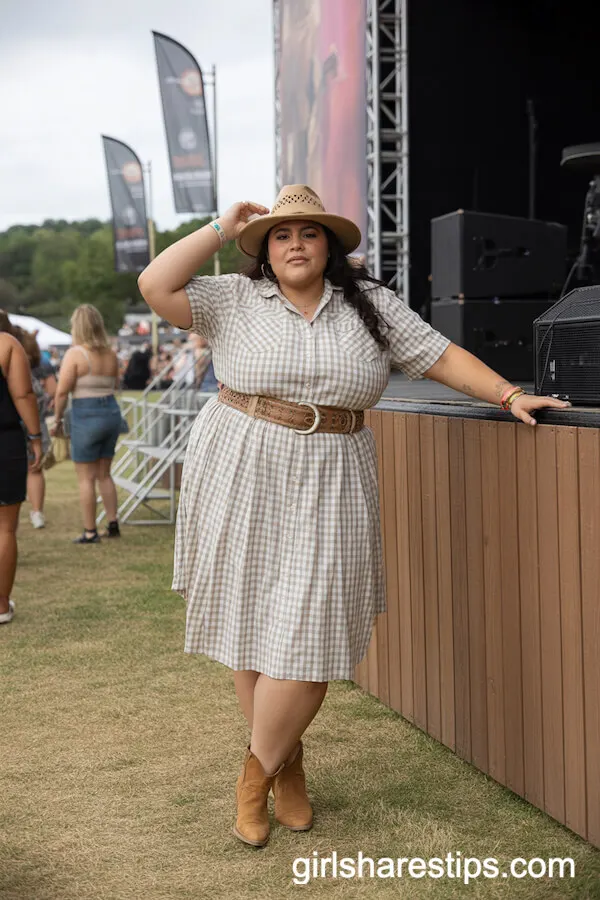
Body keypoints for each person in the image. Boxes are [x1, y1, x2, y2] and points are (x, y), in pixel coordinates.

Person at [137, 185, 571, 848]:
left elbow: (441, 356)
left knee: (313, 633)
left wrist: (507, 392)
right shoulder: (232, 297)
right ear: (264, 248)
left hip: (334, 468)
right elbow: (154, 283)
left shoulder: (370, 307)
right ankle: (288, 767)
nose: (294, 245)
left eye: (308, 234)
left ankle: (256, 772)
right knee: (254, 619)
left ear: (330, 246)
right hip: (241, 456)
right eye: (281, 235)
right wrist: (219, 228)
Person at [50, 305, 122, 544]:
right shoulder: (111, 354)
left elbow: (62, 392)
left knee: (85, 478)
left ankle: (90, 531)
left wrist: (58, 419)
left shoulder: (75, 354)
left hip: (86, 414)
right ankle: (113, 524)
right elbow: (116, 386)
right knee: (104, 474)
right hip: (111, 413)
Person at [0, 329, 42, 625]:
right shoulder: (6, 344)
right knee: (5, 528)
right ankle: (1, 604)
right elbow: (23, 393)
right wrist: (36, 436)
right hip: (4, 441)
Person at [14, 328, 52, 529]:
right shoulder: (41, 365)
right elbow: (52, 391)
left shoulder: (11, 362)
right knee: (35, 470)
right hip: (35, 424)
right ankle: (37, 512)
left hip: (12, 426)